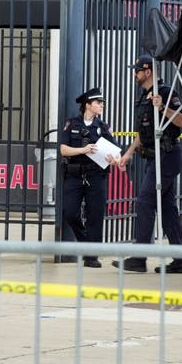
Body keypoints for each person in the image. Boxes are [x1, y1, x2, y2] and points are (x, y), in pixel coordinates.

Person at [115, 55, 182, 274]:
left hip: (167, 154)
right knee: (168, 210)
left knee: (145, 201)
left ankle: (139, 257)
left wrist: (162, 108)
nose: (134, 74)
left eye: (137, 71)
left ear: (148, 72)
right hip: (152, 156)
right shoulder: (143, 96)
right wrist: (128, 154)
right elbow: (143, 132)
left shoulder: (165, 93)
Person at [59, 87, 123, 268]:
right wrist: (83, 150)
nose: (101, 105)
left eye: (102, 103)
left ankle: (91, 256)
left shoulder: (103, 127)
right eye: (98, 102)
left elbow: (116, 153)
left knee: (95, 215)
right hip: (75, 174)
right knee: (70, 212)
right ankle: (86, 243)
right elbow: (63, 149)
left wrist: (114, 159)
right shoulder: (72, 124)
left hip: (97, 175)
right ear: (87, 105)